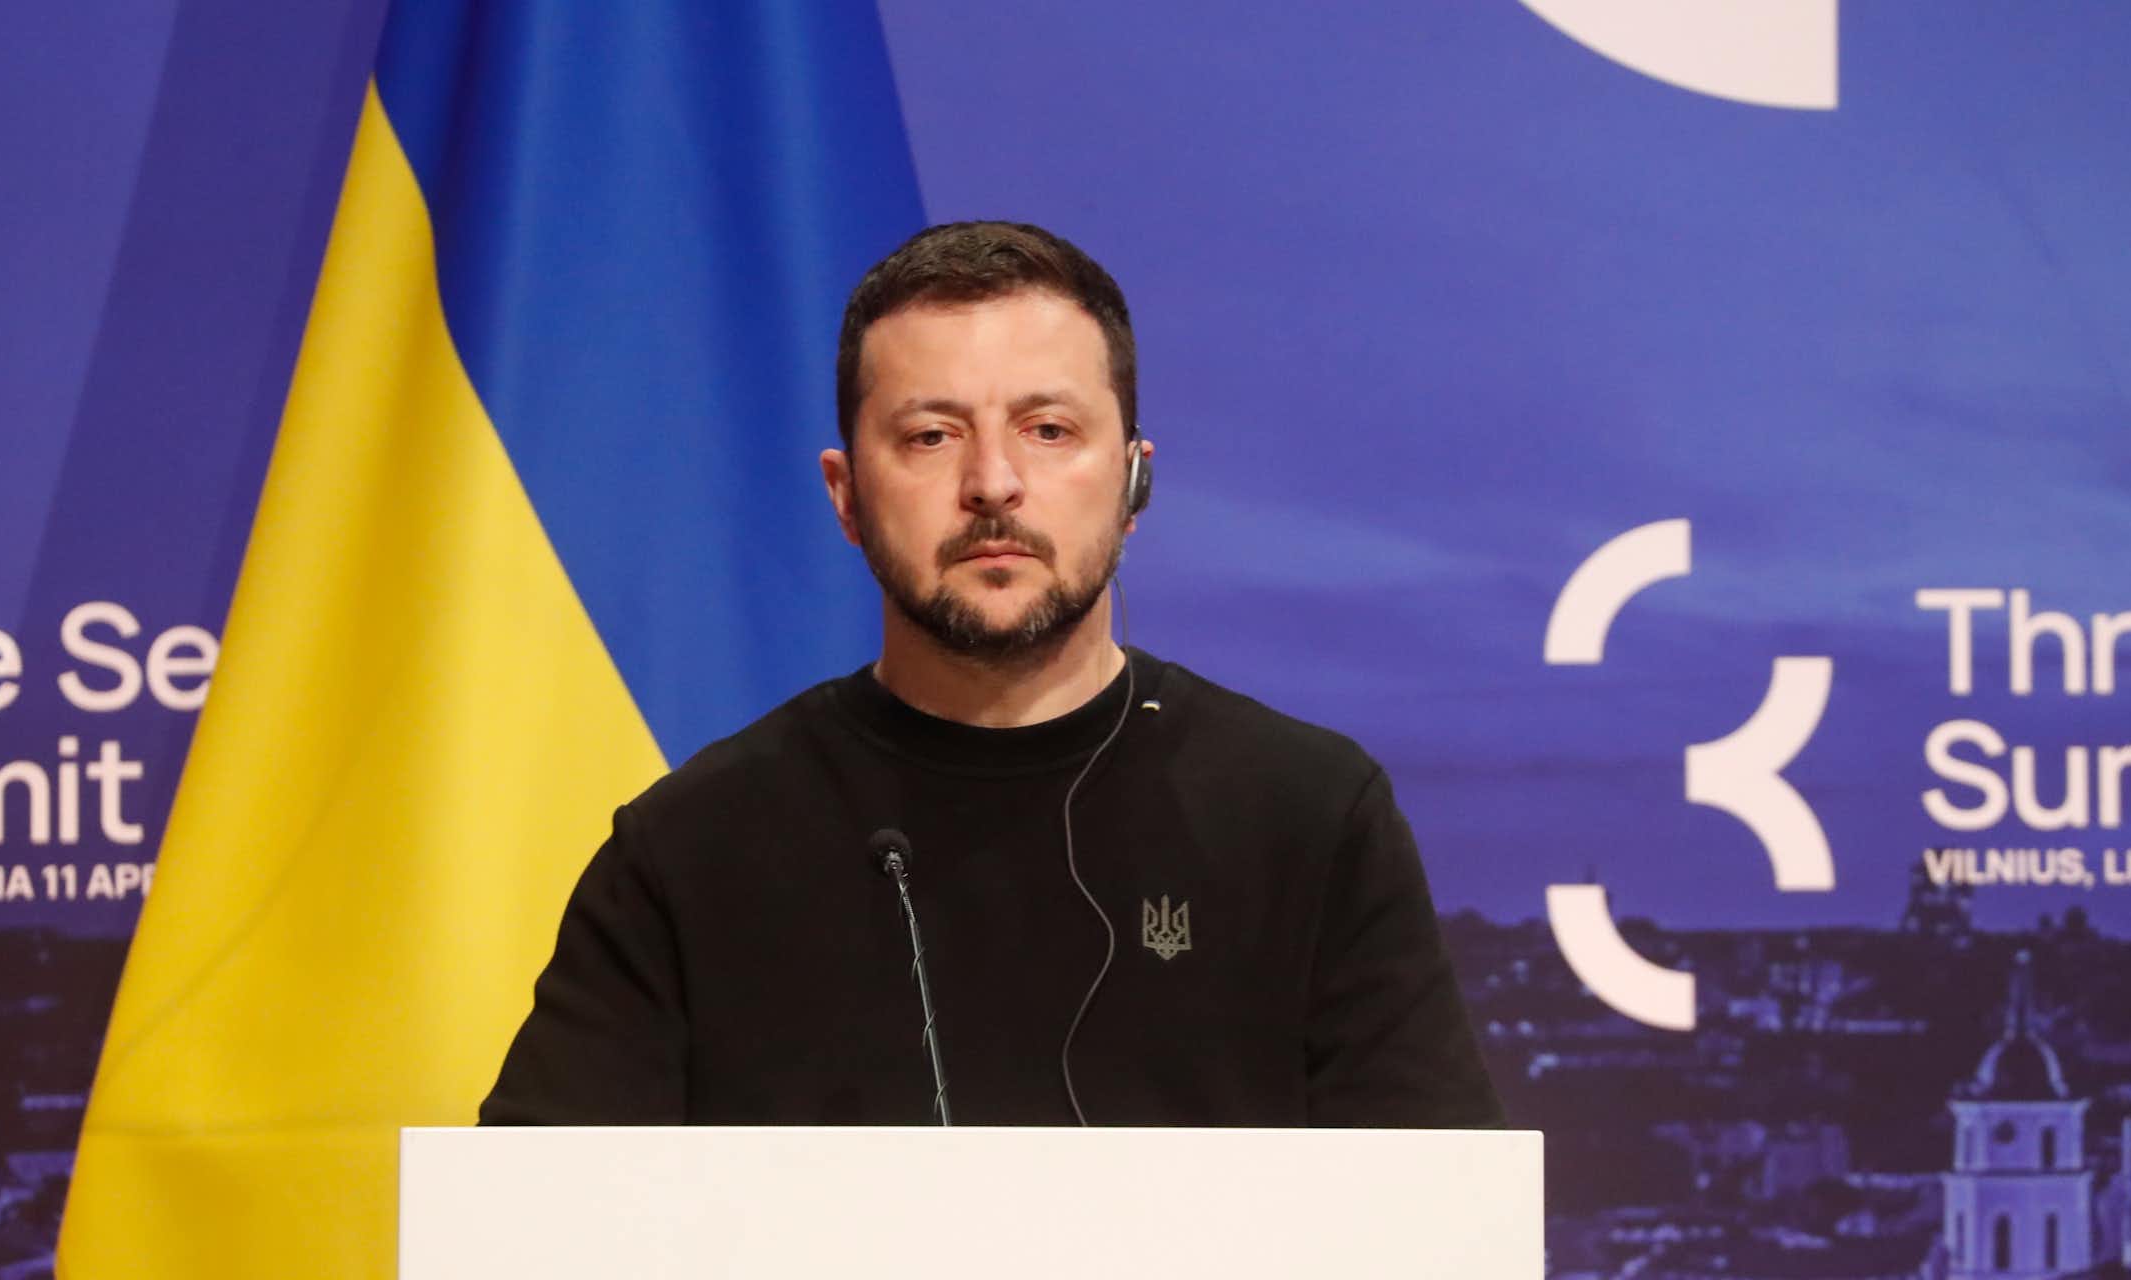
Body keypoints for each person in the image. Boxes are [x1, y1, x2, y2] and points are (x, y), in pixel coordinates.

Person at [480, 221, 1502, 1127]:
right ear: (845, 495)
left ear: (1135, 478)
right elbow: (535, 1232)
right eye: (930, 435)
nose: (992, 483)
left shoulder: (1309, 816)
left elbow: (1435, 1220)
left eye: (1048, 430)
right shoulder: (690, 848)